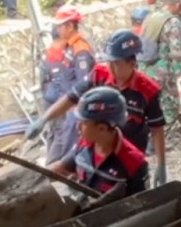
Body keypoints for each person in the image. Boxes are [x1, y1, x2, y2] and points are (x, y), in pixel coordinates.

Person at [32, 29, 168, 187]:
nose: (110, 67)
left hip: (125, 161)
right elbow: (71, 98)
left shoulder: (147, 91)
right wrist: (44, 119)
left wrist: (161, 164)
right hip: (94, 149)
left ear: (132, 63)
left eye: (116, 63)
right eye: (109, 61)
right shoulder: (98, 74)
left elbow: (157, 129)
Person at [47, 87, 149, 198]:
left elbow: (141, 206)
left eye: (84, 122)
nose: (78, 127)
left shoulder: (134, 163)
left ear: (102, 128)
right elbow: (61, 168)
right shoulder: (84, 144)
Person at [33, 8, 95, 163]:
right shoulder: (69, 48)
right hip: (69, 105)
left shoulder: (80, 50)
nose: (58, 29)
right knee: (64, 140)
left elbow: (84, 83)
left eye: (61, 26)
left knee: (71, 147)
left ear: (70, 26)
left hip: (76, 108)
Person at [138, 0, 181, 129]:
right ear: (178, 4)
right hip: (162, 72)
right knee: (170, 105)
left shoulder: (150, 17)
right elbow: (176, 52)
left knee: (150, 104)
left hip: (144, 69)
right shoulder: (173, 22)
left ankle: (148, 135)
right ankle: (164, 136)